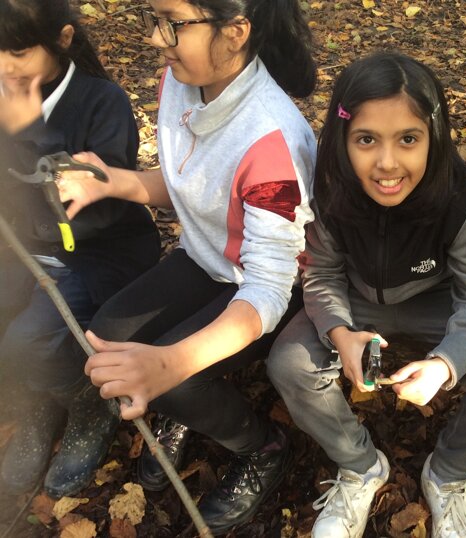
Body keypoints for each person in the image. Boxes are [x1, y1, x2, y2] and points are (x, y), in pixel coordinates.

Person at [57, 0, 316, 532]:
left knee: (177, 381)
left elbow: (269, 288)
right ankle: (185, 410)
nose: (156, 39)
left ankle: (261, 446)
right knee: (109, 332)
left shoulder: (273, 142)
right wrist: (111, 181)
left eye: (172, 24)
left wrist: (170, 364)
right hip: (205, 259)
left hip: (268, 290)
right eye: (152, 18)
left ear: (235, 32)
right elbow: (188, 183)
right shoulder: (181, 81)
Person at [266, 52, 466, 538]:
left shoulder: (459, 202)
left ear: (434, 137)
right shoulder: (331, 193)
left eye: (408, 139)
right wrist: (339, 332)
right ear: (342, 139)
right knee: (289, 363)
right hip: (356, 301)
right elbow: (323, 275)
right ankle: (360, 465)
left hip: (437, 303)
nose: (387, 163)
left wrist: (445, 364)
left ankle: (448, 474)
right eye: (366, 140)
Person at [0, 0, 160, 498]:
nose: (4, 66)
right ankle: (42, 394)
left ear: (63, 39)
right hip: (26, 243)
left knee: (27, 338)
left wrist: (26, 128)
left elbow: (98, 210)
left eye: (18, 52)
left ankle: (85, 401)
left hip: (98, 250)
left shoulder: (102, 102)